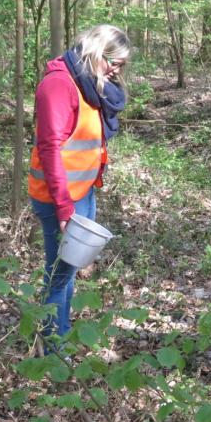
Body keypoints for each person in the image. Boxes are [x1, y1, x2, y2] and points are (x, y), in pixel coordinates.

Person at [29, 25, 131, 344]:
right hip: (57, 198)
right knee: (58, 274)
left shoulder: (91, 83)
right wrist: (63, 206)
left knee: (69, 270)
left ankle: (62, 333)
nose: (116, 70)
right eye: (112, 61)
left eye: (122, 64)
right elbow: (49, 148)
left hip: (82, 192)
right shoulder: (59, 85)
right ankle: (52, 347)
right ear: (94, 52)